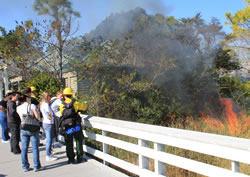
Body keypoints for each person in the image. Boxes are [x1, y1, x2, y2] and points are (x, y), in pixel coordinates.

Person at [59, 87, 88, 164]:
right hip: (76, 125)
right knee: (78, 140)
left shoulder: (62, 105)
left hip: (67, 126)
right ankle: (80, 157)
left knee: (69, 142)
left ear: (64, 95)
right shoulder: (75, 103)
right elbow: (84, 107)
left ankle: (70, 159)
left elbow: (62, 114)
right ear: (71, 95)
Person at [17, 95, 44, 172]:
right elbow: (37, 117)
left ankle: (25, 166)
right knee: (35, 147)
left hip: (23, 127)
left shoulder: (18, 107)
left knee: (24, 148)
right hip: (33, 128)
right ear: (27, 99)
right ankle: (36, 166)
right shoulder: (32, 106)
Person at [40, 91, 58, 161]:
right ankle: (48, 155)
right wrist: (50, 116)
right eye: (50, 96)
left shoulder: (42, 104)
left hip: (45, 122)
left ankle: (49, 154)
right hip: (49, 123)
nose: (51, 98)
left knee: (49, 139)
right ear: (47, 97)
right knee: (49, 140)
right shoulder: (46, 105)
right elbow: (49, 113)